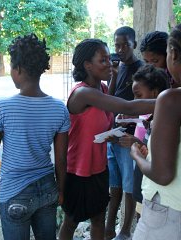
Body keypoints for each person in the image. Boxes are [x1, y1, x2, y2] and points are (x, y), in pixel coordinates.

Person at [58, 38, 155, 240]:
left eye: (108, 59)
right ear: (87, 65)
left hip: (99, 169)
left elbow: (103, 120)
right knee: (71, 222)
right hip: (78, 170)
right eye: (103, 60)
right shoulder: (83, 93)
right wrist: (168, 98)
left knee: (98, 221)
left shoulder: (101, 89)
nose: (110, 63)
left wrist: (112, 132)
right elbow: (127, 107)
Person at [0, 33, 70, 240]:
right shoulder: (59, 109)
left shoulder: (1, 107)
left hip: (15, 192)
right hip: (48, 189)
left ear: (19, 69)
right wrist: (61, 191)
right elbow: (62, 159)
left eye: (12, 67)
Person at [130, 24, 181, 240]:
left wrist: (135, 154)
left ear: (173, 54)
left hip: (169, 209)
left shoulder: (171, 99)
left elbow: (163, 174)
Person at [105, 26, 143, 240]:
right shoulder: (118, 70)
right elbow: (110, 100)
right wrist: (113, 77)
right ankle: (110, 228)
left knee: (129, 186)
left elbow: (140, 105)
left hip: (128, 138)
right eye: (116, 45)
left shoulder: (141, 70)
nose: (119, 49)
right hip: (113, 135)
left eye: (125, 45)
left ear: (134, 45)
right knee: (115, 185)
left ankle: (126, 231)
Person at [117, 64, 169, 219]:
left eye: (138, 96)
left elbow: (159, 156)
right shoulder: (150, 118)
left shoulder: (163, 121)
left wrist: (136, 142)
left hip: (154, 191)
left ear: (154, 93)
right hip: (144, 184)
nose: (134, 101)